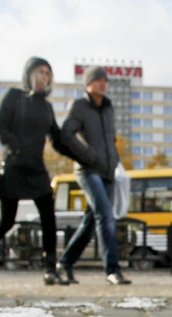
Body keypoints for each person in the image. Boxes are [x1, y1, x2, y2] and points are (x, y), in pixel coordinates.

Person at [0, 56, 73, 286]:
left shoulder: (46, 107)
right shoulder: (14, 96)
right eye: (40, 72)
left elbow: (57, 139)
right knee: (7, 220)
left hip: (37, 168)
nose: (44, 77)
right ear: (30, 74)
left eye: (48, 73)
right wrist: (16, 147)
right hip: (14, 166)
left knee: (48, 217)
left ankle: (50, 269)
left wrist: (81, 153)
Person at [55, 65, 131, 285]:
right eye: (98, 80)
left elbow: (110, 138)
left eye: (105, 80)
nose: (103, 84)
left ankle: (65, 262)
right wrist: (87, 155)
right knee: (106, 216)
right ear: (88, 83)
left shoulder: (108, 108)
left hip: (108, 171)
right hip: (88, 170)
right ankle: (112, 270)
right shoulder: (79, 106)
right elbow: (66, 134)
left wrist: (115, 159)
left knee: (89, 224)